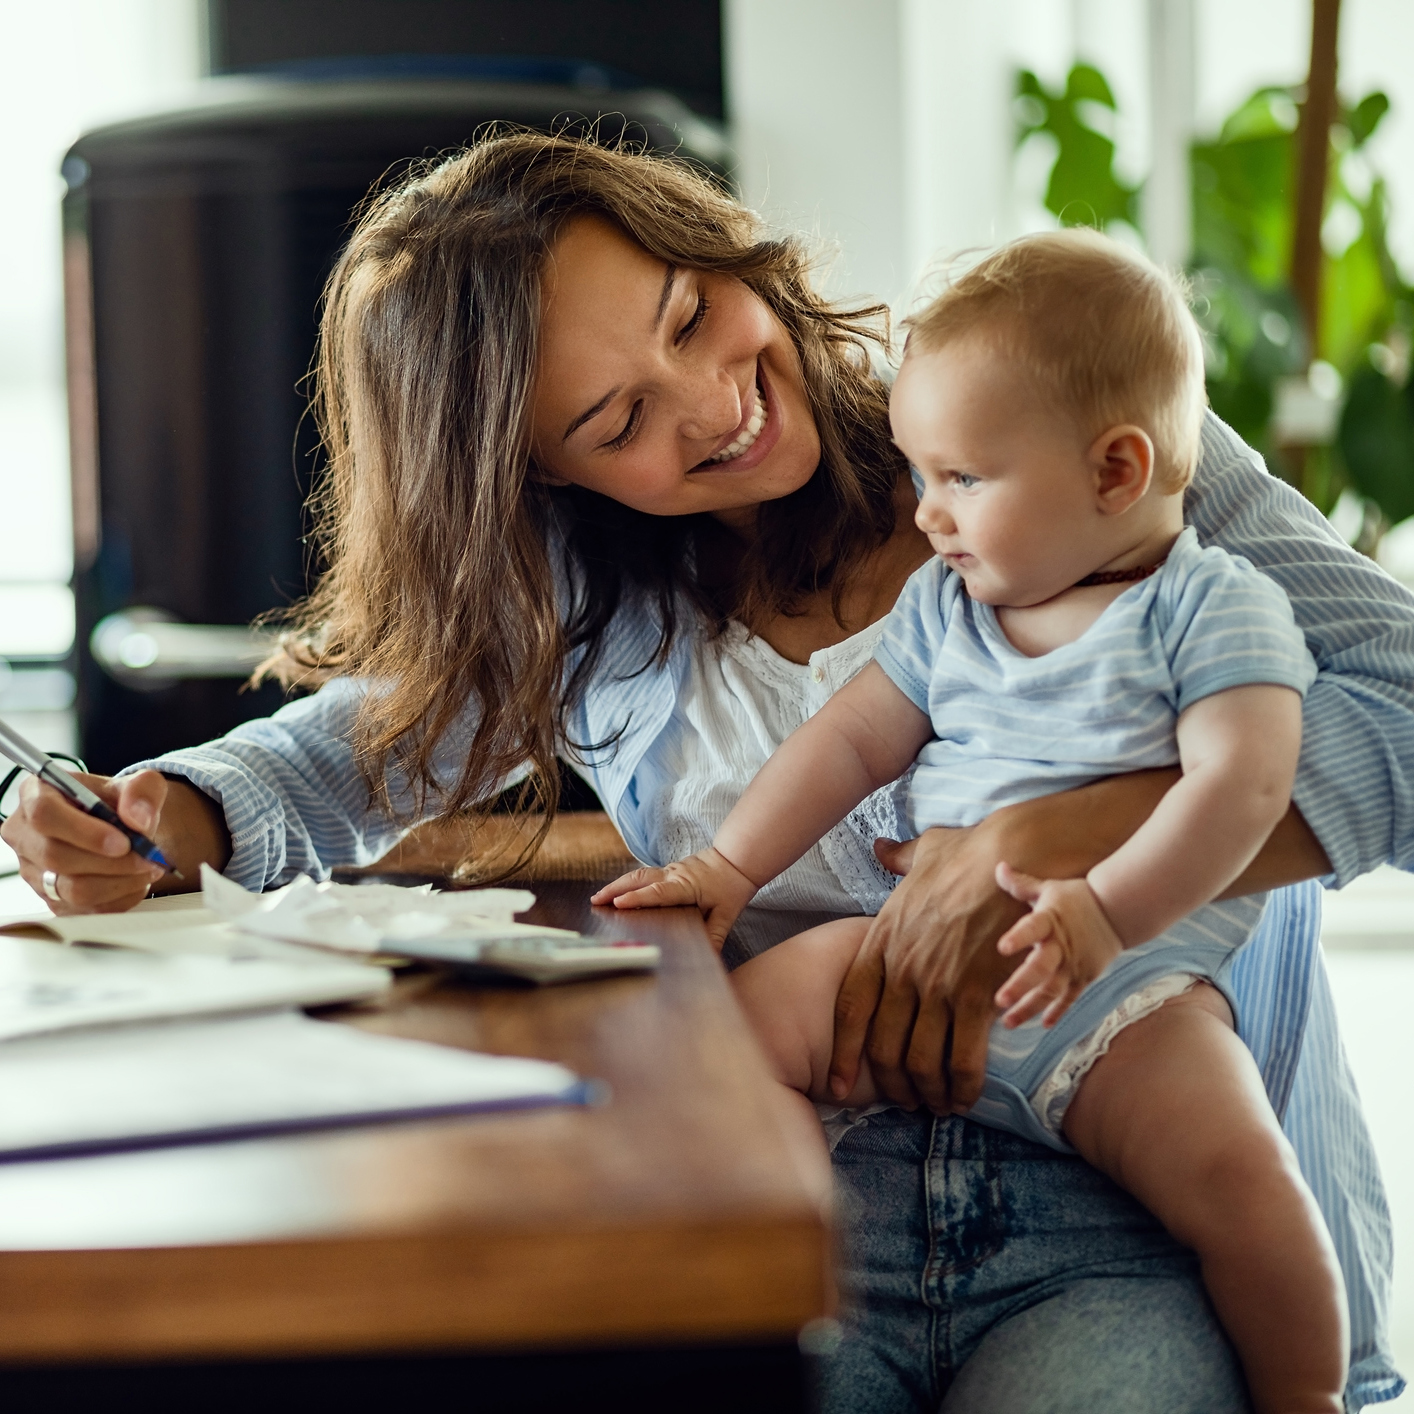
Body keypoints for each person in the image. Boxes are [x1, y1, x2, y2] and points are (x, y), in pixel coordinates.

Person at [2, 135, 1408, 1411]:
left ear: (716, 245)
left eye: (689, 314)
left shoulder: (1070, 429)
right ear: (542, 480)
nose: (712, 405)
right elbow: (343, 751)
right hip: (804, 1191)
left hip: (1136, 1195)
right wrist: (159, 812)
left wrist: (1062, 835)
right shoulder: (587, 594)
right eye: (615, 423)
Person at [593, 230, 1346, 1413]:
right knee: (728, 1038)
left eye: (963, 479)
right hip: (906, 950)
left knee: (1240, 1175)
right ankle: (797, 1260)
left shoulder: (1210, 607)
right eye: (921, 473)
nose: (927, 512)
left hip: (1122, 994)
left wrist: (1103, 913)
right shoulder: (947, 607)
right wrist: (729, 865)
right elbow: (849, 739)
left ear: (1113, 472)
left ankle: (1307, 1389)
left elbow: (1242, 792)